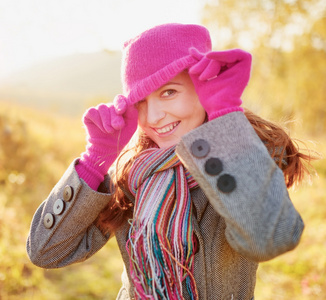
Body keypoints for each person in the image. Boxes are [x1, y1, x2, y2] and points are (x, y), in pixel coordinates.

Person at [27, 23, 313, 300]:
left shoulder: (244, 156)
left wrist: (225, 116)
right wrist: (95, 161)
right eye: (141, 102)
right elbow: (46, 252)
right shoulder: (134, 172)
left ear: (204, 88)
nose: (153, 118)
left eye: (169, 92)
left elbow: (271, 238)